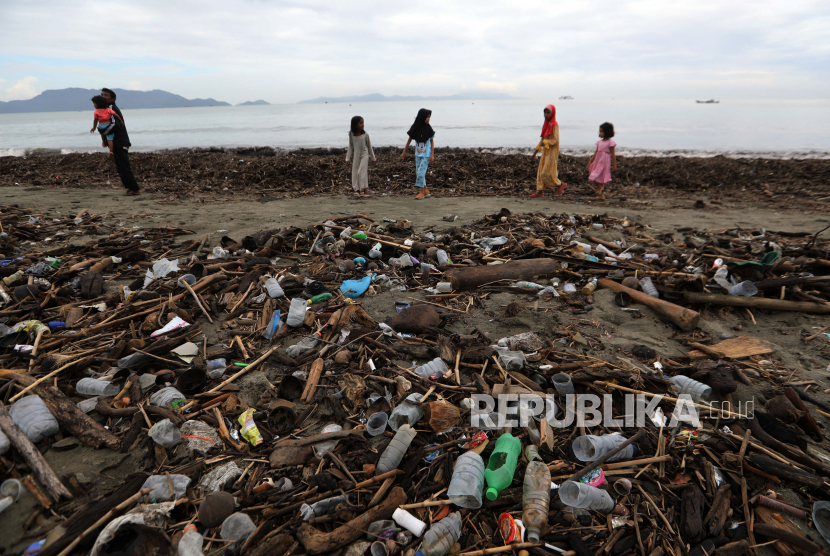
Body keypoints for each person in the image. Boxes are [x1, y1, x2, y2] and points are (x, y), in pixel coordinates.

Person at [100, 88, 141, 196]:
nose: (103, 96)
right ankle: (130, 188)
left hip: (120, 141)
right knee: (120, 166)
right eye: (102, 94)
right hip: (117, 142)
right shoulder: (106, 109)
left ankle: (135, 189)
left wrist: (103, 132)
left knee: (123, 166)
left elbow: (115, 125)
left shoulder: (111, 107)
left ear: (112, 98)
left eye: (106, 95)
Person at [529, 104, 566, 198]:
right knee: (540, 170)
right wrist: (534, 154)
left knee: (546, 172)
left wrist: (546, 141)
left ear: (553, 113)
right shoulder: (545, 125)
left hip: (552, 151)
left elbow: (555, 140)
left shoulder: (554, 125)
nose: (546, 114)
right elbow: (542, 140)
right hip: (545, 151)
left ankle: (560, 184)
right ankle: (540, 192)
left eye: (548, 112)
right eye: (545, 112)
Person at [401, 108, 435, 200]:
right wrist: (404, 151)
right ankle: (426, 190)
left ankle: (421, 193)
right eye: (427, 117)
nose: (429, 119)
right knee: (419, 173)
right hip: (418, 154)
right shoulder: (415, 128)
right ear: (422, 117)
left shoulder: (428, 128)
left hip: (426, 155)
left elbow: (432, 142)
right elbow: (409, 140)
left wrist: (432, 154)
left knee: (421, 173)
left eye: (429, 117)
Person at [346, 116, 376, 197]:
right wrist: (347, 158)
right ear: (355, 125)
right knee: (355, 172)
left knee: (361, 172)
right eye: (361, 123)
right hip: (356, 155)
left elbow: (369, 146)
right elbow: (350, 146)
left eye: (363, 122)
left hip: (364, 154)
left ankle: (364, 190)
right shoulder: (351, 134)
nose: (363, 124)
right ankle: (358, 190)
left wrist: (373, 158)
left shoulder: (365, 135)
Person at [586, 122, 617, 200]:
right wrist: (590, 162)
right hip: (597, 161)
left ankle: (600, 190)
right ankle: (601, 193)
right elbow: (596, 152)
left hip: (604, 162)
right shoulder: (599, 142)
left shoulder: (610, 142)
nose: (600, 133)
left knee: (597, 176)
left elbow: (613, 154)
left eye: (602, 131)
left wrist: (614, 165)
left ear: (607, 132)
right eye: (600, 131)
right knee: (593, 173)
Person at [90, 95, 125, 160]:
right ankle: (111, 151)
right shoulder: (108, 109)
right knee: (110, 139)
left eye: (94, 103)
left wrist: (94, 128)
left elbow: (95, 120)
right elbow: (116, 115)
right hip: (109, 126)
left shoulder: (96, 112)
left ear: (98, 103)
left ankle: (103, 142)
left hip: (101, 126)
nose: (94, 105)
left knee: (102, 133)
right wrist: (121, 121)